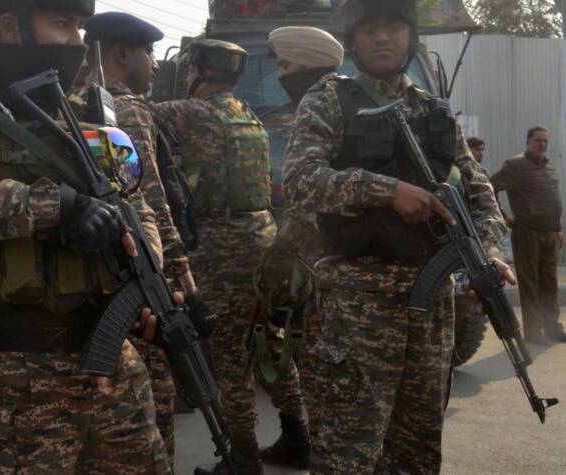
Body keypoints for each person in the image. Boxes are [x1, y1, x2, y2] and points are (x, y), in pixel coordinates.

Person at [0, 1, 172, 473]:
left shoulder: (90, 113)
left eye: (80, 27)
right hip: (19, 376)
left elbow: (136, 203)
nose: (76, 41)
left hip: (115, 367)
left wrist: (147, 274)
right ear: (10, 26)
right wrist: (58, 207)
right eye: (62, 25)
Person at [282, 1, 511, 472]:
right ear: (353, 40)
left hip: (430, 310)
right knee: (348, 453)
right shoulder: (329, 98)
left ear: (411, 37)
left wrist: (489, 250)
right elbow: (300, 181)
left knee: (418, 451)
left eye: (393, 27)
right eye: (369, 29)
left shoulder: (434, 111)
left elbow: (479, 191)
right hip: (358, 306)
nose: (382, 37)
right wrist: (387, 191)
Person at [83, 11, 201, 465]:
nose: (154, 63)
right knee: (156, 391)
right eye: (148, 52)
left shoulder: (77, 103)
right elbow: (149, 194)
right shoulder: (125, 108)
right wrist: (179, 266)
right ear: (120, 53)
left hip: (98, 269)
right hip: (139, 266)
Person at [155, 39, 276, 475]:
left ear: (197, 73)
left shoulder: (193, 112)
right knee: (268, 341)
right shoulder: (246, 114)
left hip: (222, 247)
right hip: (262, 236)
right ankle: (297, 434)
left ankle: (243, 457)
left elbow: (134, 113)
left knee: (228, 354)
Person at [255, 25, 346, 470]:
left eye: (287, 65)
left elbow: (306, 200)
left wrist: (275, 263)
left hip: (326, 273)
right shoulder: (350, 103)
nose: (280, 75)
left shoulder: (323, 109)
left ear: (308, 66)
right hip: (333, 270)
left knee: (324, 382)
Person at [490, 126, 566, 344]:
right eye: (538, 141)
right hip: (527, 232)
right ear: (528, 142)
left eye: (545, 141)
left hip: (549, 232)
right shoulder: (515, 165)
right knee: (530, 283)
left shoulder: (549, 165)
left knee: (549, 282)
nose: (542, 145)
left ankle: (552, 328)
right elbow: (490, 186)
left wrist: (557, 228)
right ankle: (533, 332)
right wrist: (503, 216)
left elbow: (552, 199)